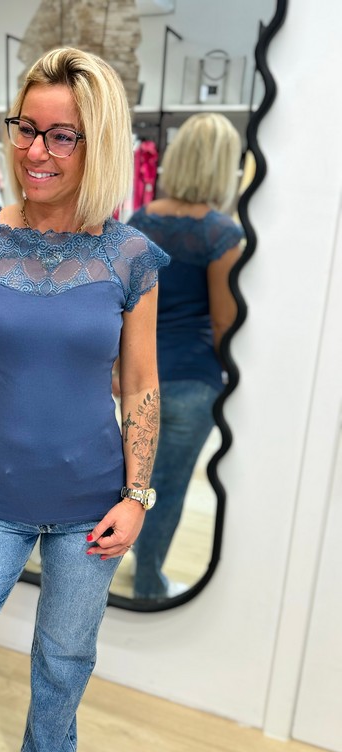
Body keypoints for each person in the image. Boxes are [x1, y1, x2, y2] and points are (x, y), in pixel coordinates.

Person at [0, 47, 169, 752]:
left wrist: (137, 496)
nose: (35, 152)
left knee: (64, 654)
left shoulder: (129, 256)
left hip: (93, 502)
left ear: (98, 144)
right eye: (26, 128)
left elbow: (141, 384)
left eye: (61, 136)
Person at [126, 112, 244, 600]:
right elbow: (223, 323)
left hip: (140, 376)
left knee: (133, 483)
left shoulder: (141, 220)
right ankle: (148, 583)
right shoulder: (222, 235)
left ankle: (127, 564)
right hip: (193, 381)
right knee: (168, 489)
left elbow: (126, 306)